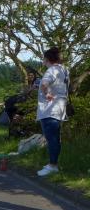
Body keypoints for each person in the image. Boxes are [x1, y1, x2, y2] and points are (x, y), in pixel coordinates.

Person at [36, 47, 69, 177]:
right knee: (55, 138)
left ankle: (52, 165)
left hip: (49, 109)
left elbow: (45, 84)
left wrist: (47, 94)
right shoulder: (64, 70)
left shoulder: (51, 70)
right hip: (60, 108)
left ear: (47, 59)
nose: (43, 60)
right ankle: (53, 163)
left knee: (52, 139)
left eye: (44, 58)